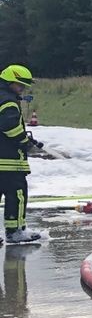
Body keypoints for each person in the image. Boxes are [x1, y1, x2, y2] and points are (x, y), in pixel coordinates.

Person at [0, 64, 42, 245]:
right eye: (19, 85)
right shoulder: (8, 101)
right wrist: (26, 143)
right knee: (17, 195)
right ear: (9, 82)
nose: (22, 89)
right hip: (8, 160)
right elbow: (10, 127)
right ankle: (15, 232)